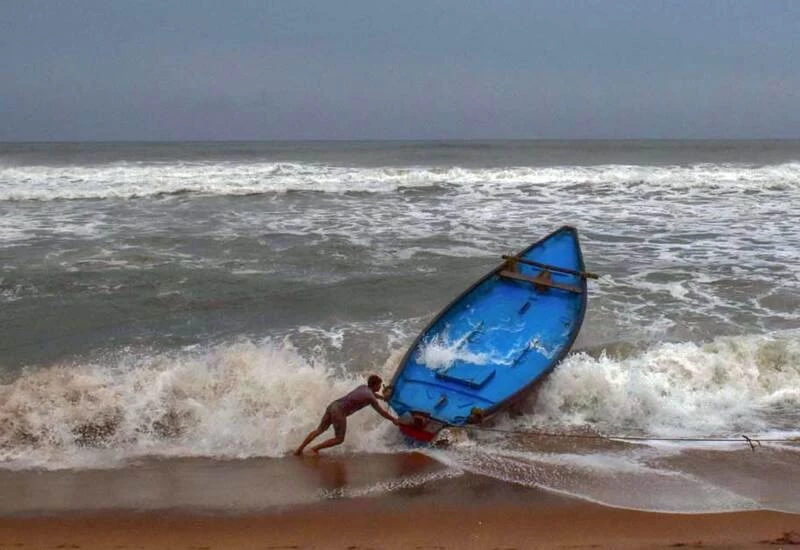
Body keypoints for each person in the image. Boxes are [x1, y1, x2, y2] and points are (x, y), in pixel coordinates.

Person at [294, 374, 398, 455]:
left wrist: (382, 398)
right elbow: (382, 412)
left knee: (319, 430)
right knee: (339, 439)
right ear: (375, 385)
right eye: (379, 384)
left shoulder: (363, 387)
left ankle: (299, 449)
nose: (380, 387)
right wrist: (393, 419)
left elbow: (373, 395)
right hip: (339, 412)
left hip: (333, 405)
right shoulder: (370, 398)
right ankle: (315, 449)